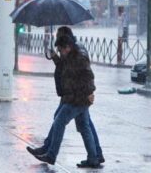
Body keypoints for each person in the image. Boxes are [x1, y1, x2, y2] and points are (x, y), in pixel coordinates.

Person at [26, 29, 101, 168]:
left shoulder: (79, 57)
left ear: (67, 47)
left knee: (59, 121)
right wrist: (55, 57)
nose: (61, 53)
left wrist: (89, 93)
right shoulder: (70, 55)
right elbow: (63, 67)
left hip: (77, 99)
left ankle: (51, 155)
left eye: (61, 50)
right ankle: (93, 158)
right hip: (73, 97)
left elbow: (89, 76)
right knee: (84, 127)